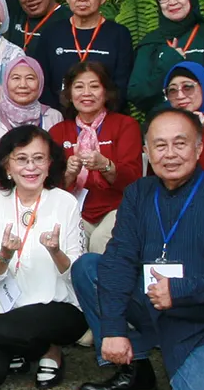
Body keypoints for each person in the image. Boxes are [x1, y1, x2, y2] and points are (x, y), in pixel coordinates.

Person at [72, 110, 204, 390]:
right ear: (147, 151)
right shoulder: (138, 193)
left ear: (198, 148)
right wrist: (113, 329)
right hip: (156, 304)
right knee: (89, 268)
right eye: (160, 145)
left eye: (180, 144)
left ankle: (202, 360)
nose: (170, 154)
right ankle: (136, 368)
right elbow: (120, 259)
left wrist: (181, 290)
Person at [0, 125, 85, 390]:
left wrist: (55, 251)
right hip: (5, 304)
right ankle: (19, 348)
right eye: (21, 159)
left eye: (39, 158)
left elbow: (77, 273)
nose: (31, 167)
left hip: (55, 305)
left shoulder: (65, 202)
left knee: (9, 330)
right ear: (7, 166)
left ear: (50, 164)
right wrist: (5, 255)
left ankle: (50, 351)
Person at [49, 61, 142, 251]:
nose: (86, 93)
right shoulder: (58, 131)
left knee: (101, 239)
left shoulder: (126, 125)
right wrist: (69, 175)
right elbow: (49, 186)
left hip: (117, 207)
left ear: (106, 92)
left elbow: (134, 180)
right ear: (69, 94)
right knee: (69, 238)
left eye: (94, 86)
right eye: (79, 87)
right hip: (74, 208)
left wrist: (106, 165)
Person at [30, 0, 133, 113]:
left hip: (107, 117)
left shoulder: (119, 34)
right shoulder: (51, 33)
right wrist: (57, 115)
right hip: (58, 118)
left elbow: (122, 85)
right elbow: (41, 81)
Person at [128, 0, 204, 113]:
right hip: (163, 121)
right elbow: (137, 94)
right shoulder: (150, 43)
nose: (172, 2)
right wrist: (167, 64)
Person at [0, 55, 62, 176]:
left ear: (40, 82)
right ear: (6, 83)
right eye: (16, 78)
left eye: (30, 78)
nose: (23, 85)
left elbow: (57, 163)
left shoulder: (54, 117)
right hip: (4, 187)